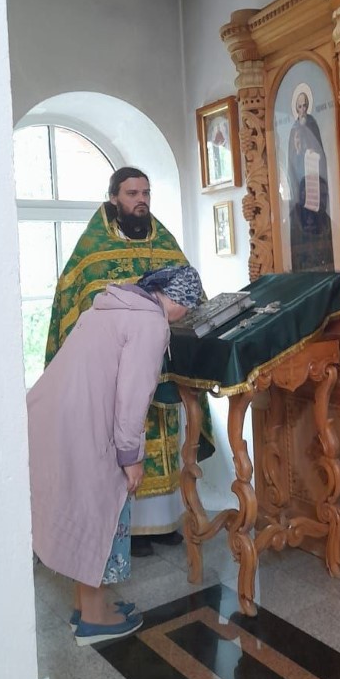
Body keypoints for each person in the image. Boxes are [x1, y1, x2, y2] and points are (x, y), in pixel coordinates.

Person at [29, 266, 204, 645]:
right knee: (99, 516)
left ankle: (86, 606)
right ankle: (93, 620)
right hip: (86, 426)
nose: (186, 315)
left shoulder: (112, 306)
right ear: (178, 300)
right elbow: (132, 398)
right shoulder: (150, 323)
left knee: (82, 511)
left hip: (54, 417)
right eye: (189, 307)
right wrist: (130, 457)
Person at [45, 166, 212, 557]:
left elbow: (190, 294)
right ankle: (131, 530)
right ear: (114, 198)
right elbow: (79, 299)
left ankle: (165, 521)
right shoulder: (93, 248)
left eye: (146, 193)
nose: (141, 200)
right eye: (132, 193)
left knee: (163, 436)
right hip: (115, 369)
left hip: (163, 364)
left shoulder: (164, 241)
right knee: (124, 437)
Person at [287, 90, 334, 271]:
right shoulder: (293, 129)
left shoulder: (312, 124)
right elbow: (290, 162)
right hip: (300, 191)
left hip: (314, 185)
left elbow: (320, 152)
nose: (302, 109)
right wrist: (298, 153)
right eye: (299, 106)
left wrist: (313, 153)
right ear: (296, 107)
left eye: (304, 105)